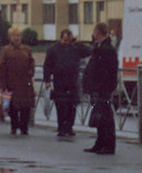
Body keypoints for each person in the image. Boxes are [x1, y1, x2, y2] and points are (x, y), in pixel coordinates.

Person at [83, 21, 119, 155]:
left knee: (105, 117)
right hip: (101, 87)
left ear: (97, 32)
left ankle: (108, 145)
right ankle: (100, 143)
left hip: (103, 87)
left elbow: (102, 70)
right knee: (100, 115)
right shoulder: (103, 47)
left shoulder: (105, 49)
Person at [43, 29, 87, 138]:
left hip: (73, 82)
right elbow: (47, 65)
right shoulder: (53, 49)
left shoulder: (75, 48)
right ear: (60, 38)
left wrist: (77, 43)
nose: (66, 42)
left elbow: (88, 51)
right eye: (64, 40)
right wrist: (47, 80)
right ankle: (61, 127)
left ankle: (69, 127)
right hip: (60, 82)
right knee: (61, 105)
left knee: (72, 106)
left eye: (68, 40)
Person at [0, 25, 36, 135]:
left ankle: (24, 127)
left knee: (25, 107)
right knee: (13, 106)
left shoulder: (26, 49)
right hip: (11, 82)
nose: (16, 38)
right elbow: (1, 66)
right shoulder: (6, 50)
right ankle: (14, 126)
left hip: (24, 83)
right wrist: (3, 83)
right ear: (10, 37)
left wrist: (30, 73)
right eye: (14, 36)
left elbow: (32, 63)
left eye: (18, 35)